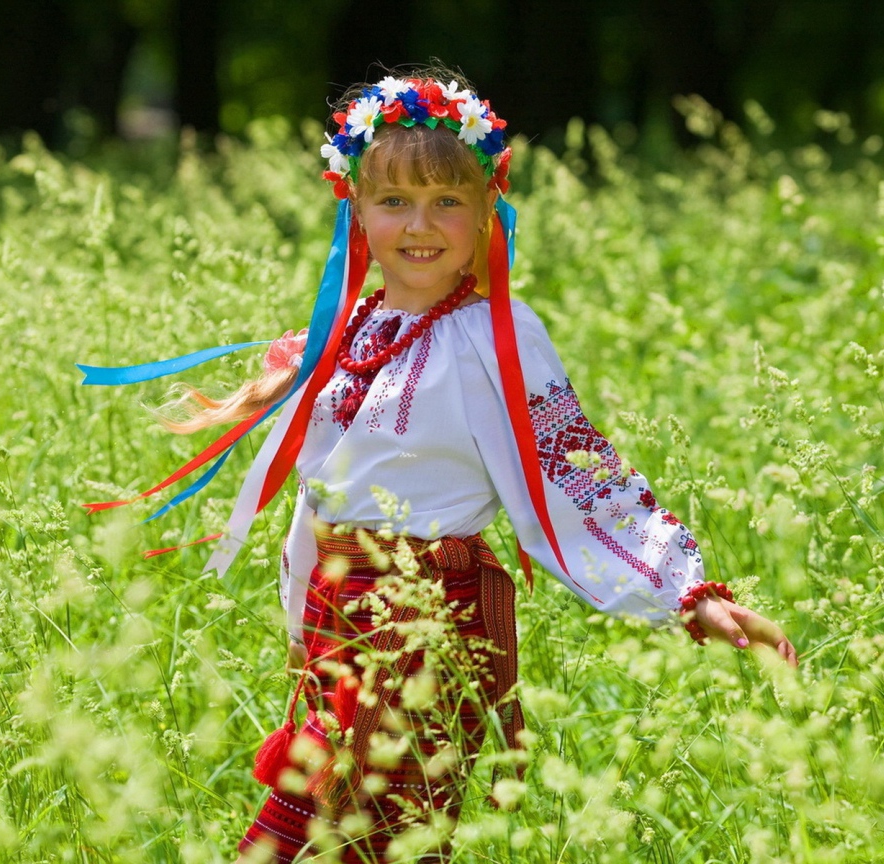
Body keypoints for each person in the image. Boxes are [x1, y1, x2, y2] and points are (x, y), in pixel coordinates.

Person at [78, 65, 797, 864]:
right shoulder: (354, 323)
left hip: (426, 629)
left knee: (338, 846)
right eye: (394, 202)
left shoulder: (498, 336)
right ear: (355, 210)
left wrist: (685, 592)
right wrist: (299, 618)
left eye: (447, 202)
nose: (421, 225)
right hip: (338, 624)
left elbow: (580, 471)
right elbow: (323, 489)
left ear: (488, 210)